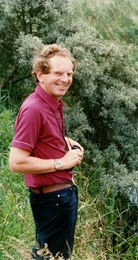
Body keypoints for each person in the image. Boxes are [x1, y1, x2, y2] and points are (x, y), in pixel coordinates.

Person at [9, 44, 84, 259]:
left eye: (69, 73)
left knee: (53, 255)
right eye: (58, 73)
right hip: (54, 200)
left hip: (60, 197)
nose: (65, 79)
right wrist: (62, 162)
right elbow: (16, 162)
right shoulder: (35, 108)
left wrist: (64, 141)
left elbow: (39, 138)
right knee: (50, 257)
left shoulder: (51, 103)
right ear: (40, 75)